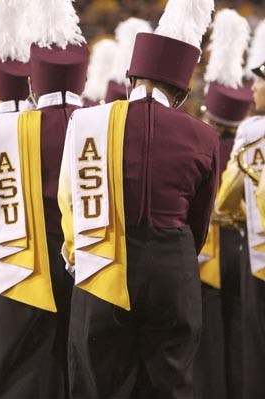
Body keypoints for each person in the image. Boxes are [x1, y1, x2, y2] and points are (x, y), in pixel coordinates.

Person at [59, 0, 218, 397]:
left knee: (99, 380)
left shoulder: (88, 121)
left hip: (103, 258)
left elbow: (70, 199)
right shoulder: (203, 136)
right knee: (168, 381)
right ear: (180, 91)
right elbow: (199, 222)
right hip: (172, 268)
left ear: (132, 78)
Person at [0, 1, 88, 397]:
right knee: (80, 367)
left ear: (32, 80)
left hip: (19, 254)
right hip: (87, 258)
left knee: (22, 369)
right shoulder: (101, 122)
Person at [193, 9, 252, 399]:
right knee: (245, 335)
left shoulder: (200, 144)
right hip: (249, 251)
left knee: (211, 339)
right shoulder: (252, 146)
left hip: (210, 252)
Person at [219, 18, 265, 399]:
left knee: (255, 342)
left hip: (259, 251)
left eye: (261, 82)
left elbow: (226, 196)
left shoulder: (252, 132)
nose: (254, 90)